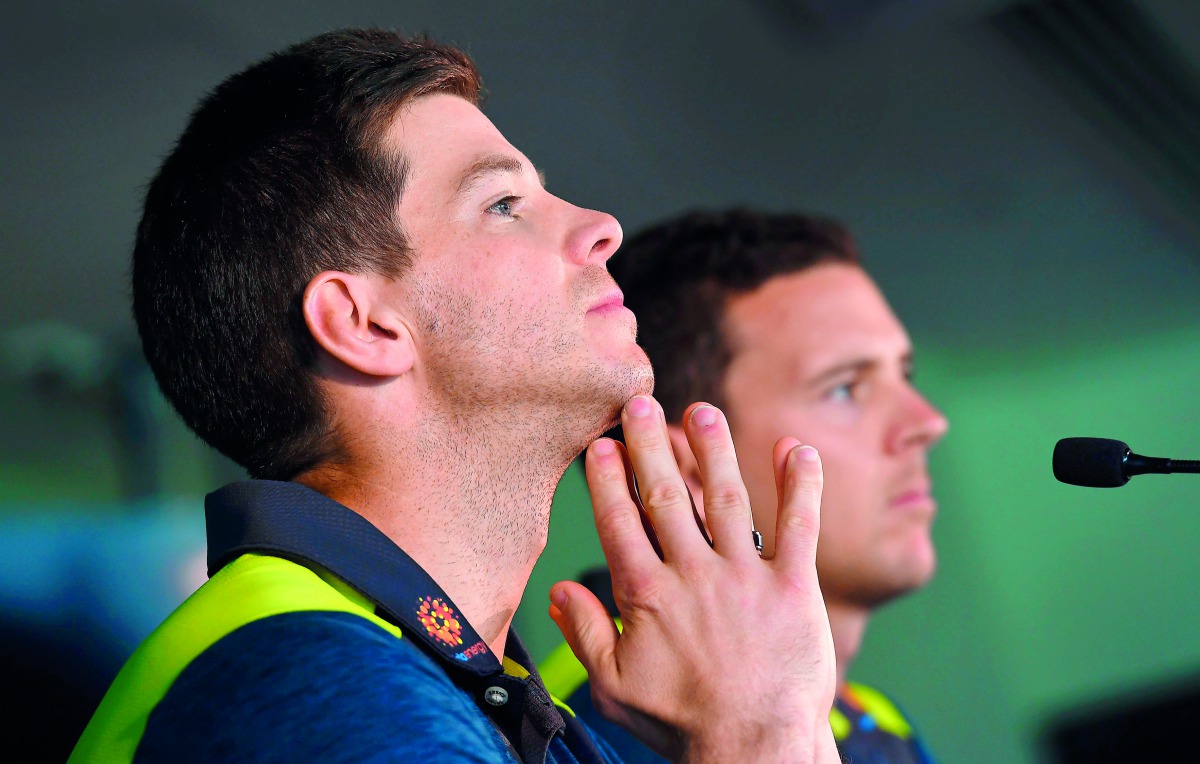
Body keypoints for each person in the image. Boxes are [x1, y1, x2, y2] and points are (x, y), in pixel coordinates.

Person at [69, 30, 840, 763]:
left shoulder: (445, 689)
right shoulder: (308, 681)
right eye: (503, 204)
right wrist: (760, 727)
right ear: (364, 325)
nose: (603, 227)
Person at [541, 209, 950, 764]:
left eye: (904, 374)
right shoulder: (572, 735)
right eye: (845, 387)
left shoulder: (876, 719)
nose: (927, 422)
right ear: (684, 468)